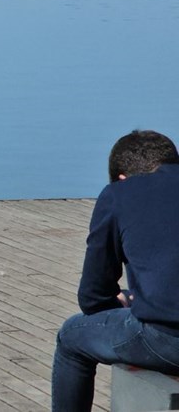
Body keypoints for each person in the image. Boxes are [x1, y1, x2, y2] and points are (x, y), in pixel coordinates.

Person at [51, 129, 179, 411]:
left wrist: (124, 303)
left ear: (121, 177)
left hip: (168, 340)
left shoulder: (119, 194)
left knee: (71, 337)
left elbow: (92, 296)